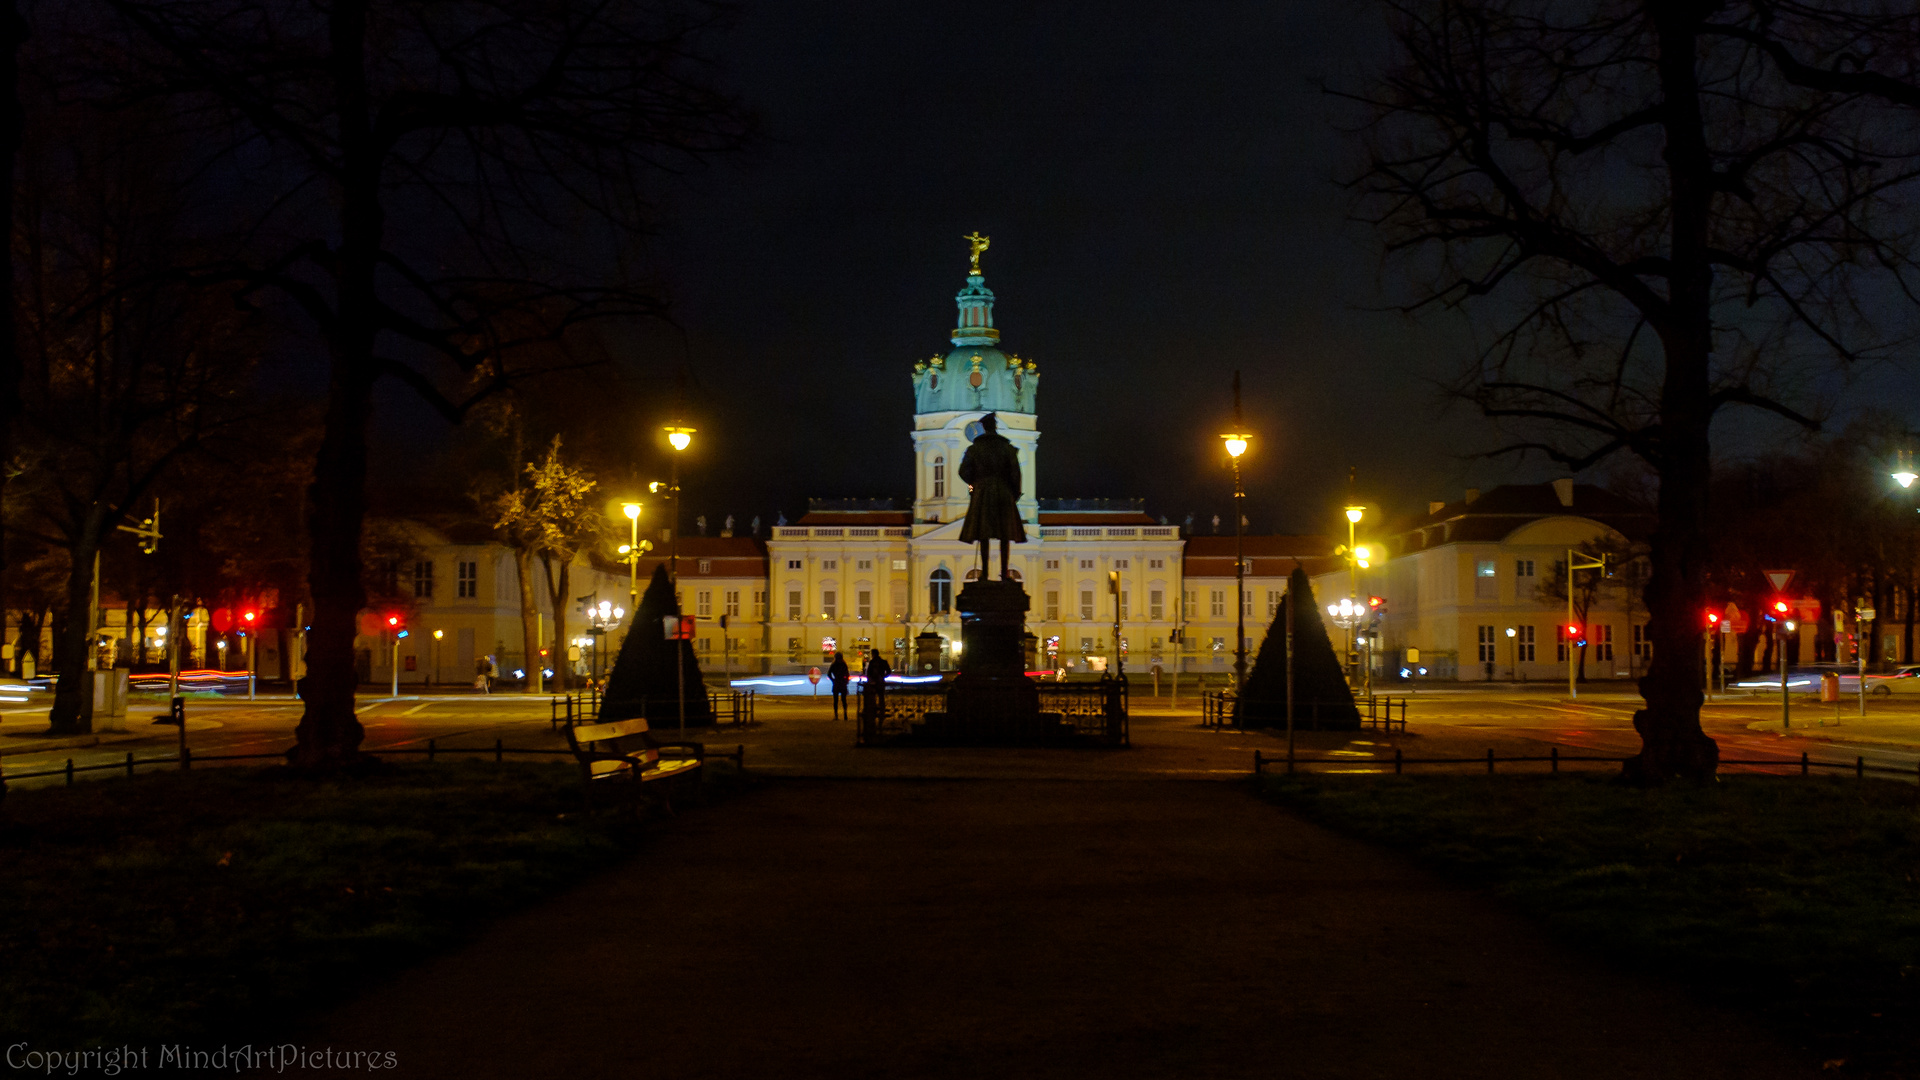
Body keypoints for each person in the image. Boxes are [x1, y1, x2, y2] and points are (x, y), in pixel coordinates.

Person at [958, 412, 1027, 579]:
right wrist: (1014, 493)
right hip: (1004, 492)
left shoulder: (975, 449)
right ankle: (1004, 573)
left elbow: (963, 471)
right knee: (1005, 534)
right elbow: (1016, 473)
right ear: (995, 427)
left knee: (984, 534)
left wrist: (974, 484)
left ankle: (985, 573)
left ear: (984, 427)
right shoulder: (1007, 448)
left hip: (982, 492)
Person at [863, 650, 892, 720]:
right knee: (881, 697)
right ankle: (882, 711)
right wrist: (883, 676)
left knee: (872, 697)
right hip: (881, 681)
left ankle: (874, 710)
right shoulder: (883, 662)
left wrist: (870, 679)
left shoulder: (872, 662)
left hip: (873, 682)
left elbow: (869, 673)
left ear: (873, 654)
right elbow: (889, 671)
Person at [827, 651, 851, 720]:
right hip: (842, 683)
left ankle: (836, 715)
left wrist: (833, 680)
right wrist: (846, 681)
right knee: (844, 700)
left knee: (835, 700)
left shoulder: (834, 664)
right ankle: (845, 714)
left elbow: (829, 674)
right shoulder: (844, 664)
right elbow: (847, 674)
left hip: (836, 683)